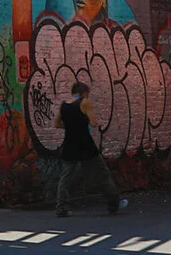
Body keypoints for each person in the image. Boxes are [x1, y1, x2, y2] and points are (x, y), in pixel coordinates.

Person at [55, 80, 128, 217]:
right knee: (101, 174)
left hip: (69, 145)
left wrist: (71, 127)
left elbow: (57, 124)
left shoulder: (63, 105)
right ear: (84, 93)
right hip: (85, 145)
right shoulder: (85, 103)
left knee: (65, 177)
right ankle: (114, 203)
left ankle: (61, 207)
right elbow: (93, 123)